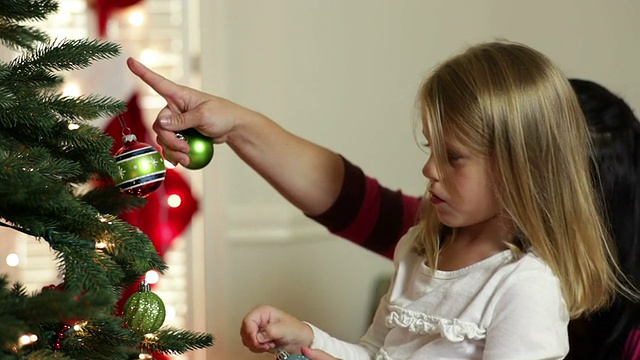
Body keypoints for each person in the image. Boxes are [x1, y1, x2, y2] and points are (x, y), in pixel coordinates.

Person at [126, 41, 631, 359]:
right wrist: (309, 339)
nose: (429, 170)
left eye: (454, 157)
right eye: (431, 149)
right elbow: (375, 351)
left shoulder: (526, 288)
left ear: (525, 170)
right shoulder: (421, 245)